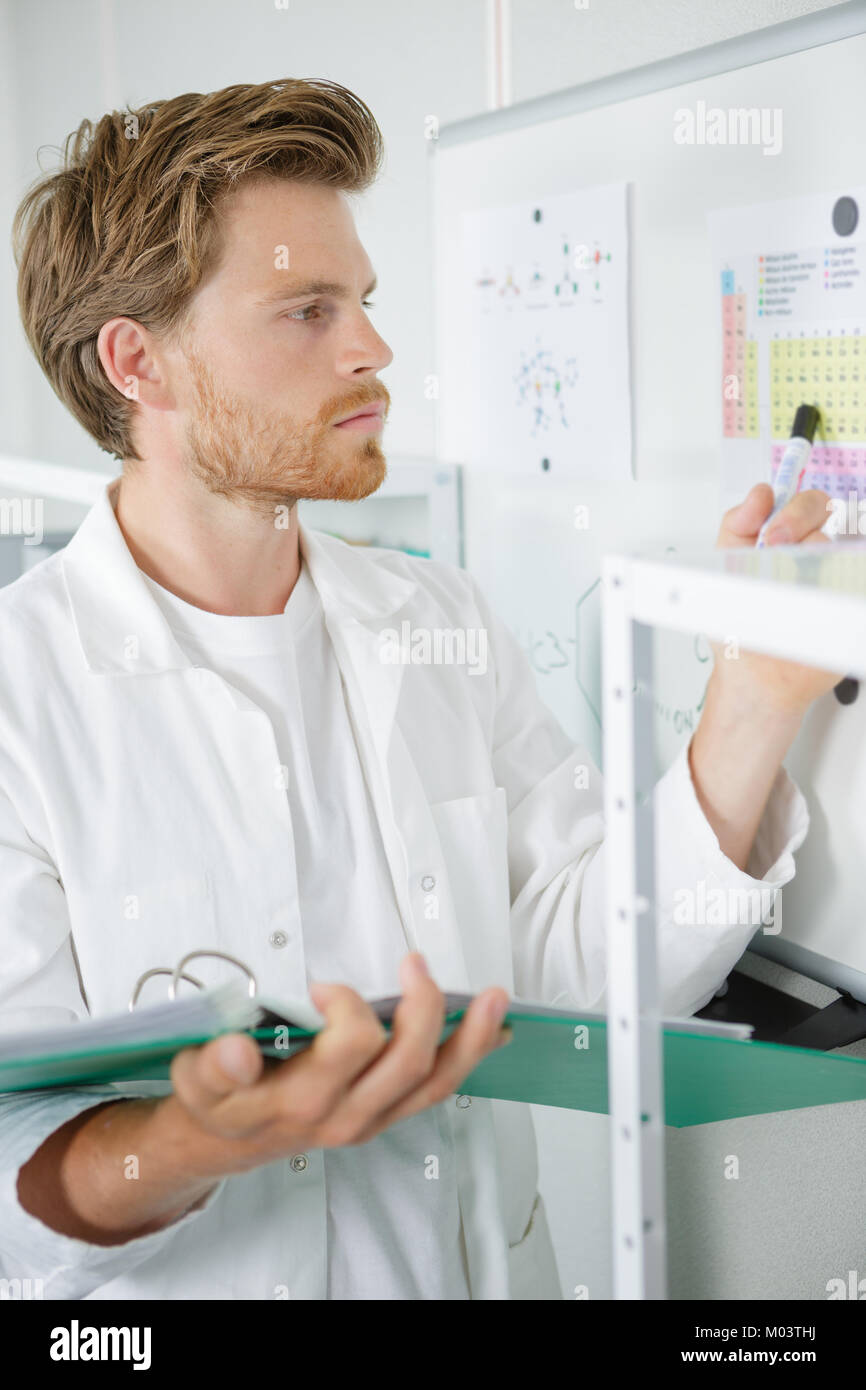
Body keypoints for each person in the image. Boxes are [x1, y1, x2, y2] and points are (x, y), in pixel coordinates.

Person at [0, 79, 839, 1300]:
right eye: (306, 309)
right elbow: (15, 1178)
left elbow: (572, 986)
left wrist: (751, 701)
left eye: (365, 303)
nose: (373, 348)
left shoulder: (437, 621)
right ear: (139, 362)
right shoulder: (20, 695)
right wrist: (199, 1140)